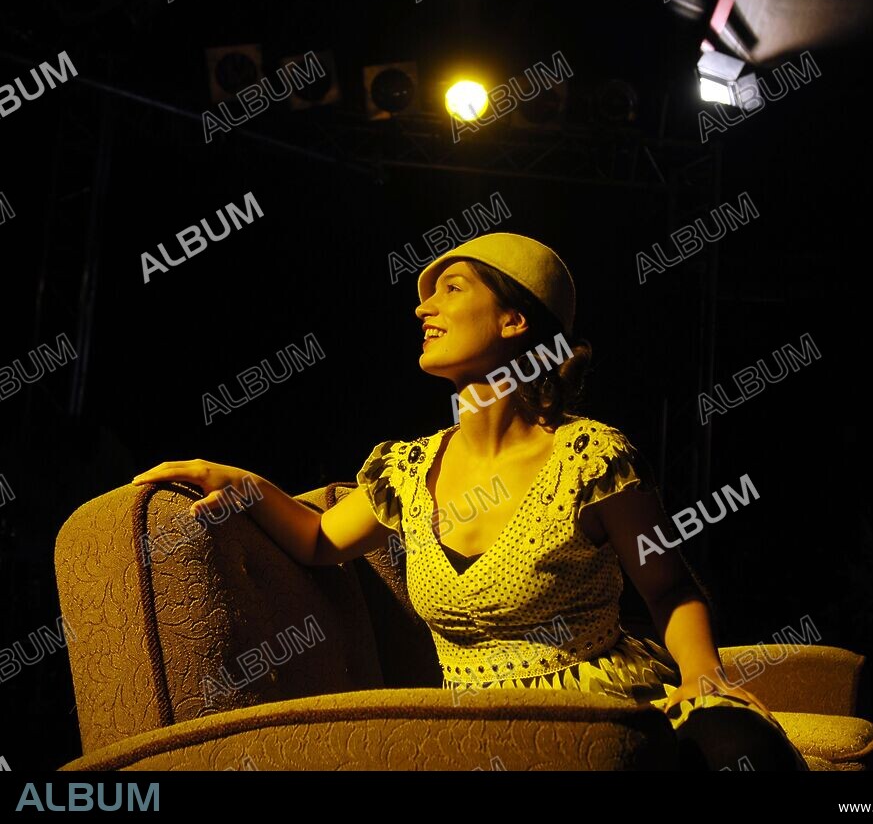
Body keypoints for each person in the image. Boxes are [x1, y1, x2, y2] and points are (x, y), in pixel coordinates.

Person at [132, 232, 807, 771]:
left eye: (450, 290)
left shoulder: (590, 458)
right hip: (473, 731)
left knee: (734, 752)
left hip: (603, 714)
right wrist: (241, 484)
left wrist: (703, 678)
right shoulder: (409, 468)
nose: (423, 309)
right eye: (426, 298)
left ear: (515, 319)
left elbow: (669, 588)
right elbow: (317, 541)